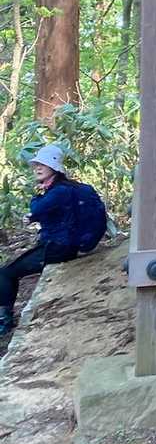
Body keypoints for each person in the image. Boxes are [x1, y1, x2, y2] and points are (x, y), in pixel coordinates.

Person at [0, 143, 81, 337]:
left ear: (54, 167)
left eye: (42, 165)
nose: (37, 168)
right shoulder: (61, 188)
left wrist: (36, 200)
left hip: (58, 247)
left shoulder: (58, 191)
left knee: (6, 273)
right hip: (60, 244)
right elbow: (49, 212)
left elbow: (37, 208)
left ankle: (4, 322)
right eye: (36, 164)